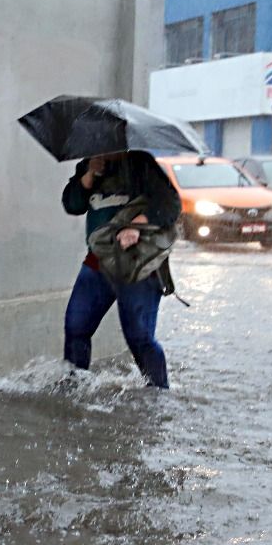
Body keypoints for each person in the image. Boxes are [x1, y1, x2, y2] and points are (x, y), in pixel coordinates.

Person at [60, 150, 180, 388]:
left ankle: (157, 394)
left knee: (140, 337)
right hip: (96, 264)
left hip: (137, 266)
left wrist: (136, 225)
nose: (104, 148)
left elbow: (170, 205)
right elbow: (72, 204)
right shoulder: (89, 165)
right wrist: (89, 176)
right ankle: (75, 387)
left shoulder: (141, 163)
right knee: (76, 327)